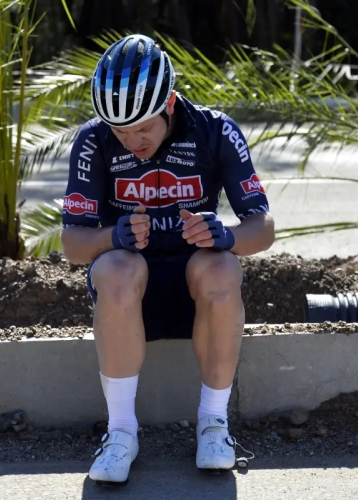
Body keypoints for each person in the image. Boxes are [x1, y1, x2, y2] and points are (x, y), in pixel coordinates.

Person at [60, 34, 275, 484]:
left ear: (170, 104)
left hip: (199, 291)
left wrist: (226, 235)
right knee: (116, 266)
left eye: (143, 129)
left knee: (220, 265)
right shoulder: (93, 141)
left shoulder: (216, 130)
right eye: (121, 132)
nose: (132, 141)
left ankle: (214, 425)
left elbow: (264, 229)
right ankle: (120, 433)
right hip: (129, 295)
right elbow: (72, 246)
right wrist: (110, 235)